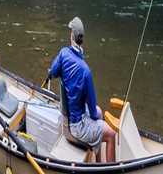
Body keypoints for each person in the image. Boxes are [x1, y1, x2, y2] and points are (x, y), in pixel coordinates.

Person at [48, 17, 116, 162]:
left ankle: (98, 162)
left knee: (99, 112)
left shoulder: (63, 53)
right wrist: (97, 121)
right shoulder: (86, 71)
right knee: (111, 134)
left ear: (71, 36)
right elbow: (91, 111)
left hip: (71, 117)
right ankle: (109, 168)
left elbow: (53, 72)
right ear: (81, 39)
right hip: (77, 126)